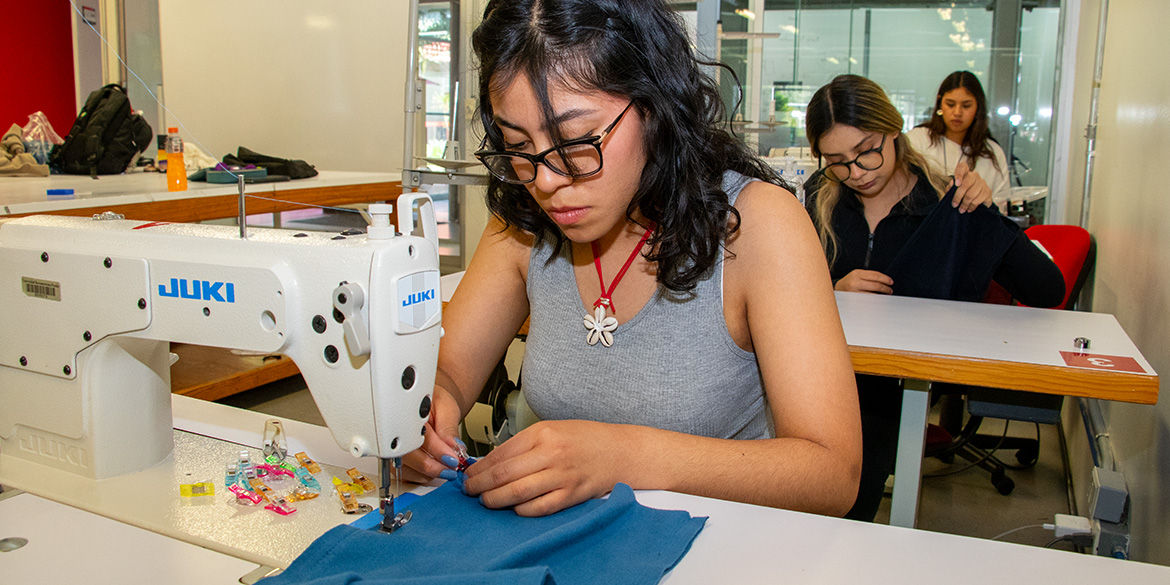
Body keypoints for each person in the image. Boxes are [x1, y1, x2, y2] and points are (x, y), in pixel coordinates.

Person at [403, 0, 862, 518]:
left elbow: (832, 474)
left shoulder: (757, 226)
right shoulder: (523, 224)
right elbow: (451, 372)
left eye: (577, 141)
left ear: (656, 104)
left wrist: (624, 455)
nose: (547, 181)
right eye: (516, 145)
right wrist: (425, 414)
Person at [803, 74, 1065, 521]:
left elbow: (1047, 289)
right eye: (837, 160)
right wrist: (831, 290)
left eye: (867, 150)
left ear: (895, 128)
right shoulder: (819, 199)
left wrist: (986, 212)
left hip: (891, 392)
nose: (857, 172)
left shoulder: (947, 201)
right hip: (816, 379)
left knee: (844, 504)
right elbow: (776, 293)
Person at [907, 71, 1011, 203]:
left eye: (966, 106)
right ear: (940, 103)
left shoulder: (992, 153)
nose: (957, 113)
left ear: (978, 108)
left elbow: (1001, 207)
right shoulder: (917, 140)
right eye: (950, 104)